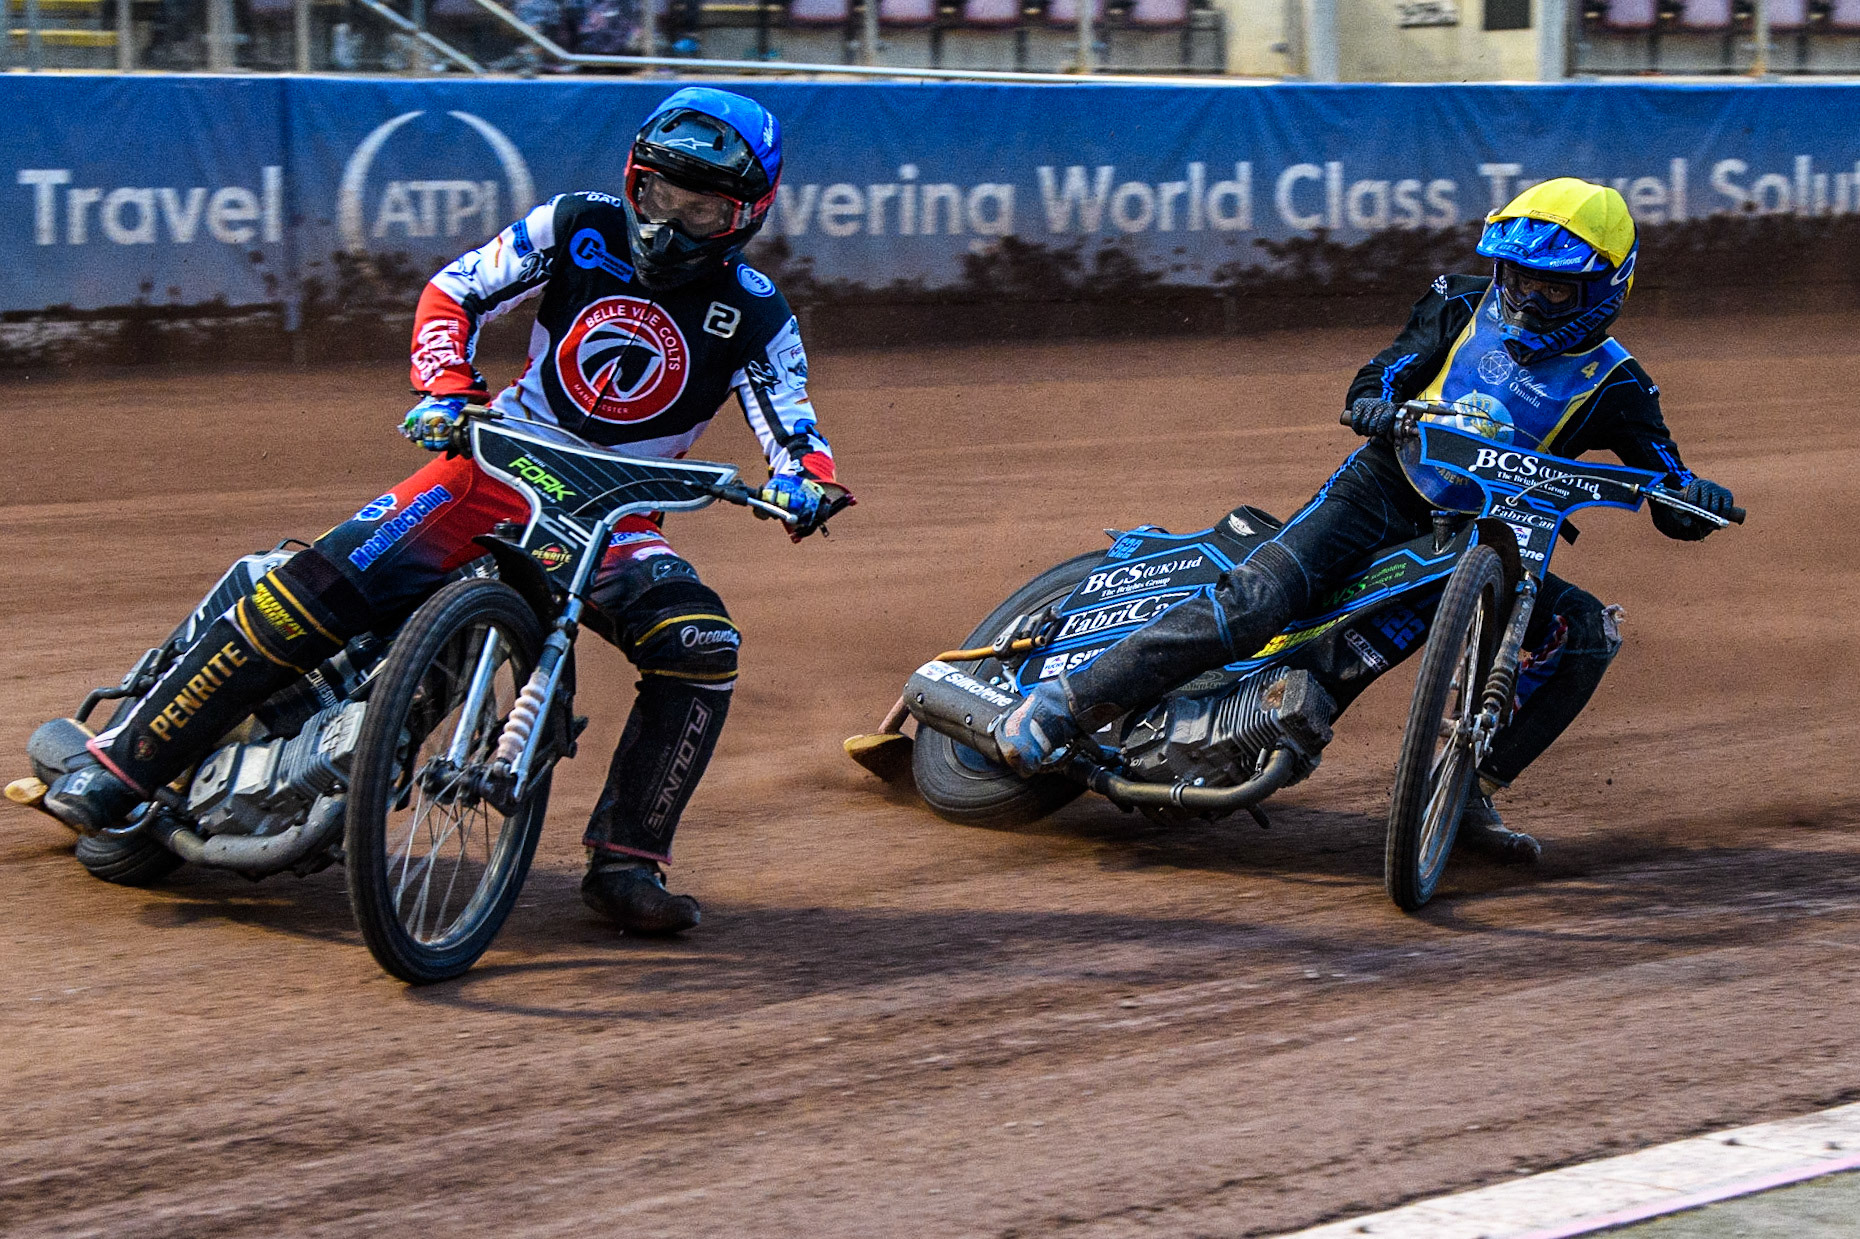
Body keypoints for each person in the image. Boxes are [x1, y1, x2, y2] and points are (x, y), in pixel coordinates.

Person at [42, 87, 848, 934]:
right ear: (632, 180)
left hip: (619, 521)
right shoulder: (576, 223)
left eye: (702, 210)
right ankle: (127, 762)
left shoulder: (758, 313)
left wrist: (805, 480)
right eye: (657, 196)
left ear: (746, 216)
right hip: (495, 466)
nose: (668, 225)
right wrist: (446, 387)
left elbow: (793, 423)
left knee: (702, 646)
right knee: (310, 586)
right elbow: (455, 290)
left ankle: (627, 862)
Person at [994, 178, 1735, 862]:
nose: (1528, 298)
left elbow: (1668, 486)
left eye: (1553, 288)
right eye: (1519, 278)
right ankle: (1064, 702)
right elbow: (1384, 369)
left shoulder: (1621, 384)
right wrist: (1376, 403)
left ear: (1603, 290)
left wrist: (1696, 500)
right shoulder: (1460, 300)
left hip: (1495, 538)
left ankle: (1469, 790)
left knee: (1583, 637)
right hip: (1383, 484)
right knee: (1261, 601)